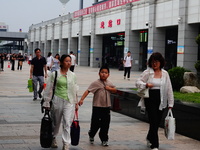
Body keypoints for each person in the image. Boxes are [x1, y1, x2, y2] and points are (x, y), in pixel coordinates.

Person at [135, 52, 174, 150]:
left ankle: (149, 137)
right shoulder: (147, 72)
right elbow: (137, 82)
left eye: (156, 61)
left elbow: (169, 89)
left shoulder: (165, 74)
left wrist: (170, 103)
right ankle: (155, 145)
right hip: (150, 99)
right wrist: (146, 85)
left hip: (161, 100)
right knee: (153, 120)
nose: (154, 64)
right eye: (152, 62)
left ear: (161, 62)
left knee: (156, 122)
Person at [43, 54, 79, 150]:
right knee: (56, 122)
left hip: (69, 101)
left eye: (70, 61)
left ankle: (66, 144)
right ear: (62, 62)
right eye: (67, 61)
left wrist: (76, 102)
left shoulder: (73, 75)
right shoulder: (55, 74)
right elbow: (49, 89)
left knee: (67, 122)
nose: (69, 63)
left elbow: (75, 89)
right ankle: (53, 138)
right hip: (57, 100)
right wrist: (46, 102)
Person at [78, 66, 117, 147]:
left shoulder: (109, 83)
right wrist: (82, 99)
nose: (104, 74)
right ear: (99, 73)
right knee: (95, 123)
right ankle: (91, 134)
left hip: (106, 107)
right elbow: (88, 91)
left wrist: (109, 88)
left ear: (108, 75)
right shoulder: (96, 83)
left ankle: (104, 139)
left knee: (105, 124)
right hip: (97, 106)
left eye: (106, 73)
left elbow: (115, 90)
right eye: (102, 72)